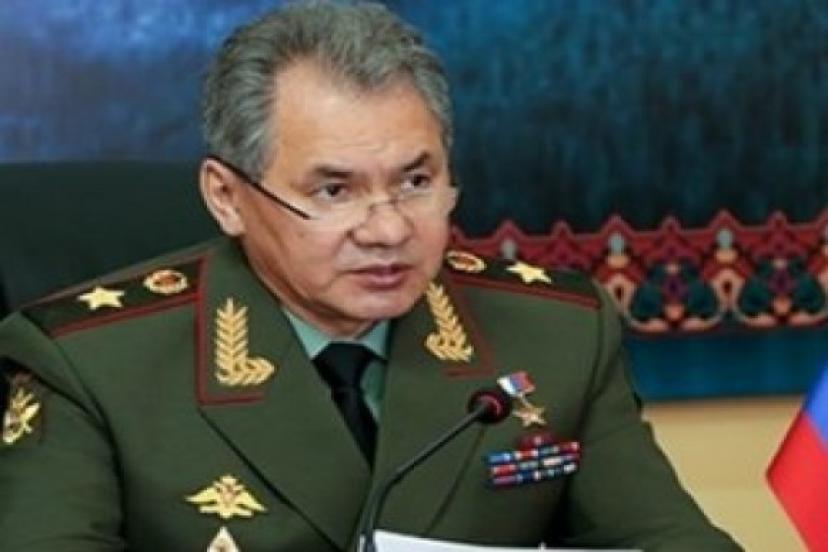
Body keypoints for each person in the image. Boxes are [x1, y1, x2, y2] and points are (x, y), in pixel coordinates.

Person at [0, 1, 741, 550]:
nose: (388, 230)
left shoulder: (555, 334)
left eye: (417, 182)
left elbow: (665, 540)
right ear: (226, 197)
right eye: (334, 191)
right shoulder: (90, 366)